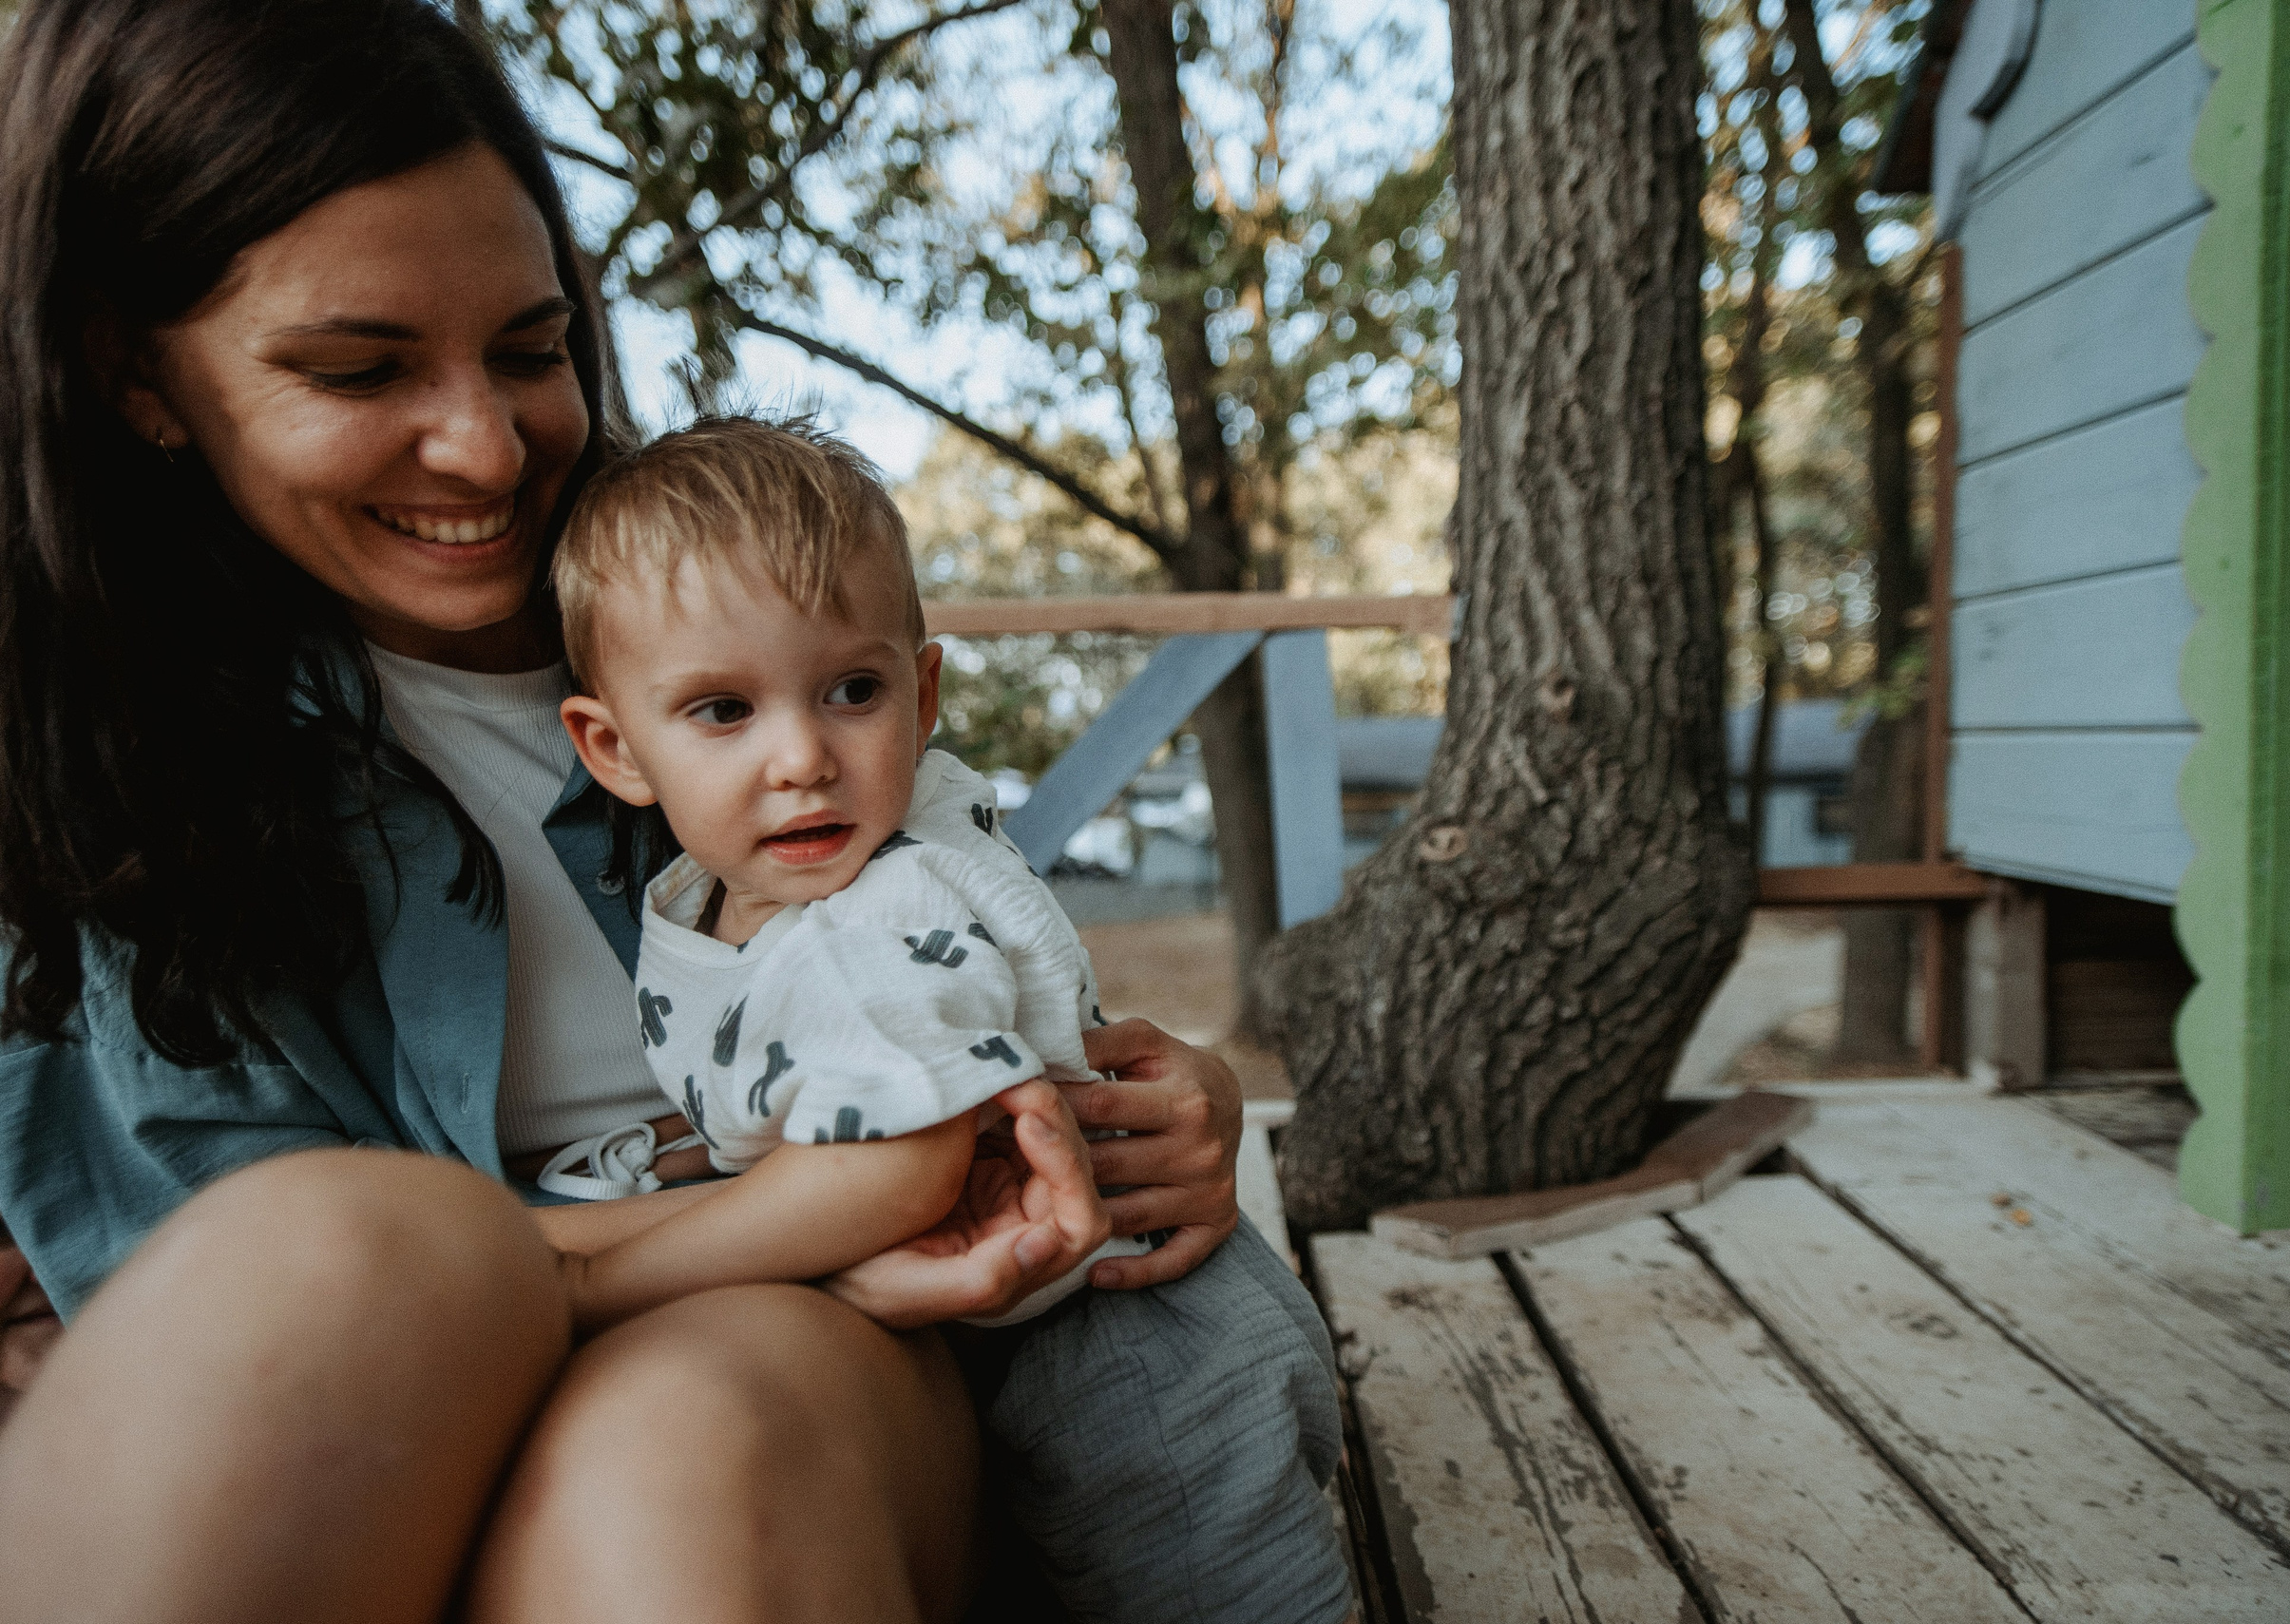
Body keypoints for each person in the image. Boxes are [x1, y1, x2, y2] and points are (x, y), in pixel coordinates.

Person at [0, 3, 1339, 1621]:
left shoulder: (722, 602)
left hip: (822, 1371)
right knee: (344, 1253)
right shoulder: (82, 778)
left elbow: (940, 991)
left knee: (679, 1451)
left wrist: (1153, 1100)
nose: (487, 447)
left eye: (528, 346)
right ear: (131, 372)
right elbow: (226, 1337)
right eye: (357, 367)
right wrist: (658, 1245)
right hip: (398, 1437)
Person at [540, 415, 1353, 1606]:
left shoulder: (865, 914)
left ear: (921, 695)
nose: (804, 755)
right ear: (612, 747)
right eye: (724, 710)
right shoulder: (721, 893)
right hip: (1015, 1311)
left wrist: (586, 1283)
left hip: (1123, 1349)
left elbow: (895, 1170)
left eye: (851, 689)